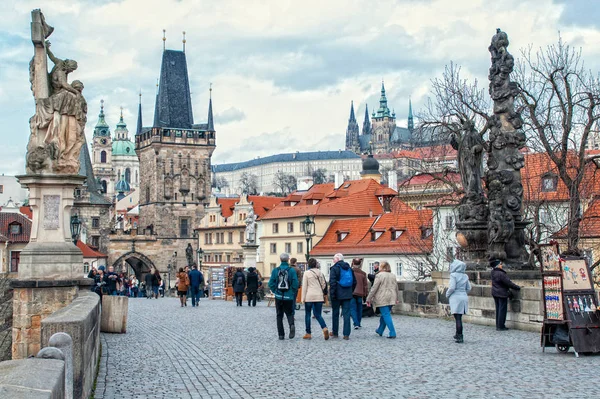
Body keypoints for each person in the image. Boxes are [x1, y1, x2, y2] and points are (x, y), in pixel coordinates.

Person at [268, 253, 299, 340]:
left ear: (280, 259)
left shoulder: (275, 270)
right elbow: (295, 283)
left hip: (278, 296)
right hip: (288, 296)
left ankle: (281, 334)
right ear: (288, 260)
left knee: (279, 315)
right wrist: (292, 292)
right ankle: (291, 325)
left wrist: (275, 291)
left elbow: (271, 283)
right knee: (289, 313)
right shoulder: (291, 270)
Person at [366, 261, 398, 339]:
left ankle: (392, 332)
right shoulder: (392, 275)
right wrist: (396, 298)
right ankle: (380, 330)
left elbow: (374, 288)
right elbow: (396, 287)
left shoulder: (379, 276)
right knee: (385, 314)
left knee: (386, 314)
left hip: (382, 297)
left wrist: (368, 298)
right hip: (392, 297)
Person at [329, 253, 356, 340]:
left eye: (334, 259)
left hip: (337, 294)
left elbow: (332, 283)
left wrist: (332, 295)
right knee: (346, 314)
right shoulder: (349, 268)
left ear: (337, 259)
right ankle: (346, 334)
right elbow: (354, 282)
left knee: (335, 313)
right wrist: (350, 291)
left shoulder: (334, 268)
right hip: (347, 294)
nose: (333, 261)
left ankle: (335, 332)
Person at [301, 258, 329, 340]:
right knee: (318, 315)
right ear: (316, 264)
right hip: (319, 296)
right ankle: (324, 328)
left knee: (308, 314)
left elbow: (304, 286)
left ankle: (308, 333)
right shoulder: (320, 273)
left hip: (309, 296)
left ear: (308, 265)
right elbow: (324, 285)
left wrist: (303, 298)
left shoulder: (306, 273)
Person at [446, 259, 471, 343]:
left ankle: (459, 336)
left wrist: (447, 294)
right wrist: (463, 293)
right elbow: (469, 288)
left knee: (457, 318)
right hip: (463, 297)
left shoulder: (453, 275)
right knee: (459, 317)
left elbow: (452, 287)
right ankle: (457, 334)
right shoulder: (465, 276)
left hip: (455, 297)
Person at [491, 259, 521, 331]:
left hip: (495, 292)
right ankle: (501, 326)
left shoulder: (493, 272)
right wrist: (517, 287)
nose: (502, 265)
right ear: (498, 266)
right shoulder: (501, 274)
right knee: (502, 310)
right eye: (501, 264)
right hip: (502, 293)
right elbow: (508, 283)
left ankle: (498, 325)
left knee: (498, 309)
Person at [350, 258, 369, 330]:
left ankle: (356, 323)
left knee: (353, 308)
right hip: (360, 293)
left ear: (353, 263)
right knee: (359, 308)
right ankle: (359, 322)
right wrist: (365, 294)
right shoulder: (363, 273)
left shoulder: (350, 271)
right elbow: (365, 286)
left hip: (352, 292)